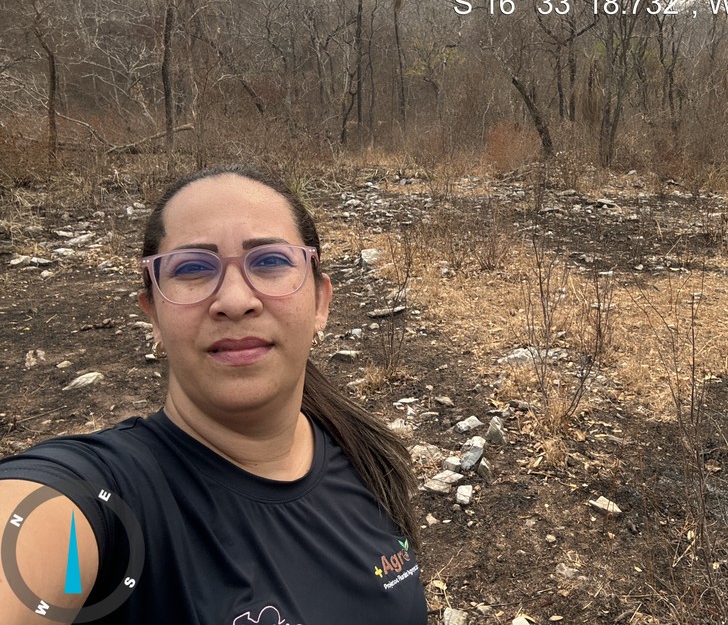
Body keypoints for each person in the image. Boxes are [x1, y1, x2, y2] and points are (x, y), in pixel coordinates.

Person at [0, 166, 427, 624]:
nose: (235, 299)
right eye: (192, 268)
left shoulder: (365, 455)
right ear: (155, 316)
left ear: (321, 303)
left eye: (270, 261)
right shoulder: (104, 494)